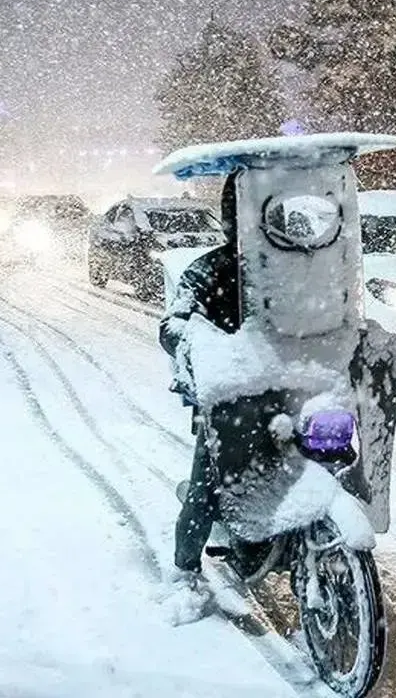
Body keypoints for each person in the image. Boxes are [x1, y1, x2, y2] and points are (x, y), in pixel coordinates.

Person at [159, 172, 241, 584]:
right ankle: (184, 571)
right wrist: (194, 339)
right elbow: (172, 326)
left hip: (300, 389)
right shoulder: (210, 269)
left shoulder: (307, 272)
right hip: (233, 396)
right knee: (206, 487)